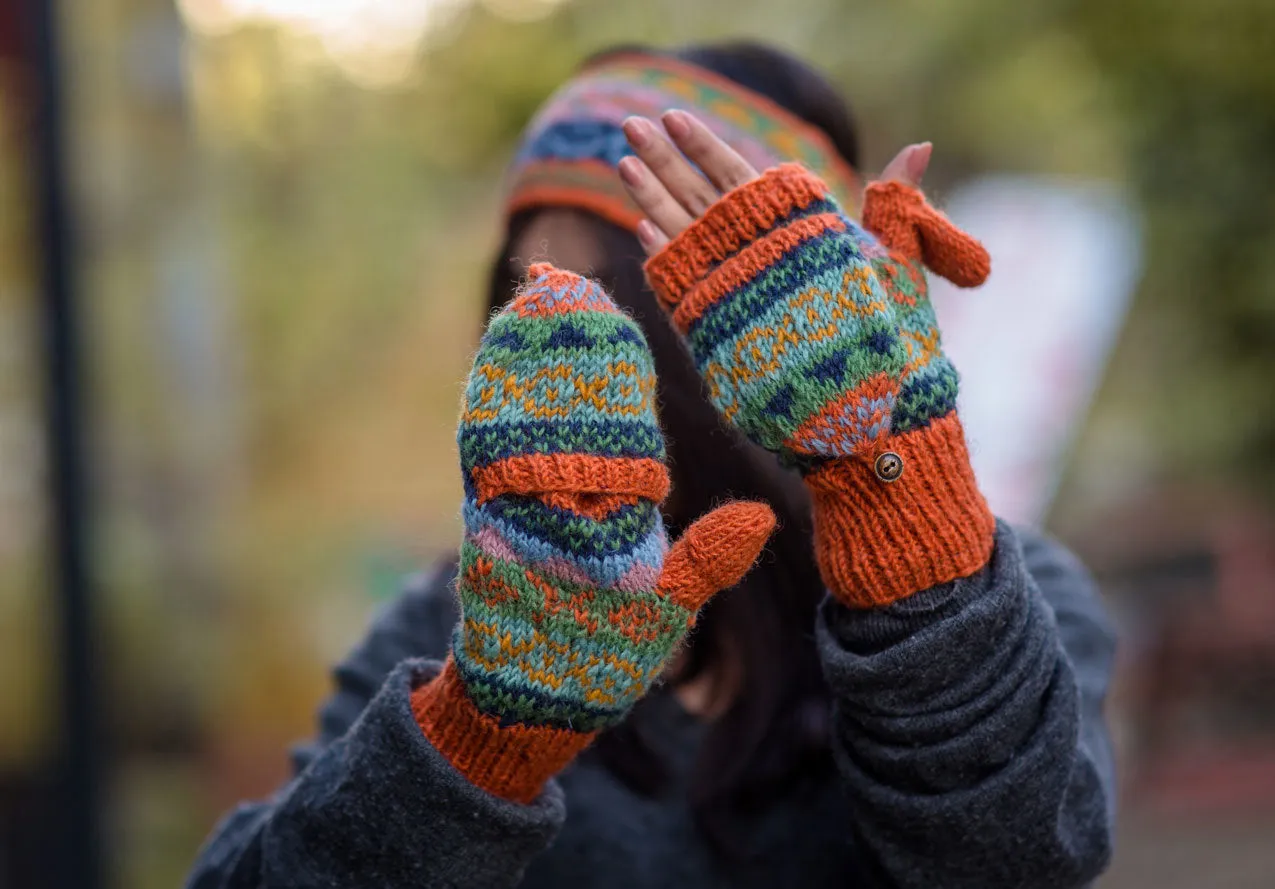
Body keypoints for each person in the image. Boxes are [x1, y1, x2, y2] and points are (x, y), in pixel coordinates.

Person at [185, 44, 1117, 888]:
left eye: (607, 304)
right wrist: (479, 741)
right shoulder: (450, 629)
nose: (557, 368)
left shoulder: (998, 597)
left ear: (790, 339)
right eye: (524, 306)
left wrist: (900, 519)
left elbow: (1019, 860)